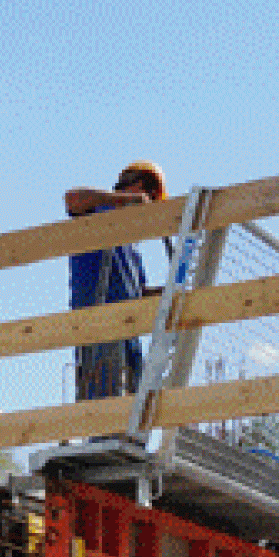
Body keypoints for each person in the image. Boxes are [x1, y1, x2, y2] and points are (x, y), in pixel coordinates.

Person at [64, 161, 169, 401]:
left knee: (135, 411)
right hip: (100, 324)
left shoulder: (131, 247)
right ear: (140, 187)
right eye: (151, 198)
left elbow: (139, 292)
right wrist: (123, 200)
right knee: (105, 406)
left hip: (127, 332)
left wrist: (169, 291)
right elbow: (72, 199)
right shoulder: (98, 214)